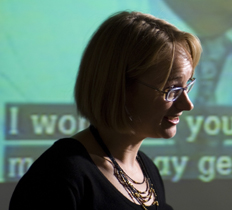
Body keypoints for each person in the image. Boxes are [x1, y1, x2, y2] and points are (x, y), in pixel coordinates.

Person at [9, 10, 202, 210]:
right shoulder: (58, 177)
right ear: (119, 87)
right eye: (172, 90)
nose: (187, 105)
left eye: (187, 86)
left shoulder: (147, 170)